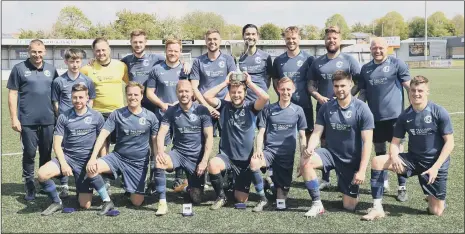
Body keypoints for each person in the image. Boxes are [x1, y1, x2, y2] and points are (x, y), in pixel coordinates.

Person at [362, 75, 454, 220]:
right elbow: (394, 143)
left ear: (427, 92)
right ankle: (377, 208)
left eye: (420, 91)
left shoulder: (439, 112)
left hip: (435, 164)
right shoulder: (405, 116)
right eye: (413, 90)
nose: (416, 94)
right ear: (409, 91)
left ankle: (434, 198)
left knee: (436, 211)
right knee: (377, 161)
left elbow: (450, 143)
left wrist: (436, 167)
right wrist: (394, 157)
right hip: (414, 160)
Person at [300, 70, 374, 217]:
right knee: (305, 160)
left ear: (351, 84)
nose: (339, 89)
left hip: (351, 160)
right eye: (336, 86)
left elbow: (367, 142)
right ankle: (317, 204)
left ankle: (348, 190)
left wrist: (362, 170)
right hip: (330, 154)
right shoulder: (327, 107)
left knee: (349, 206)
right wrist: (310, 147)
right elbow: (317, 132)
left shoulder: (362, 109)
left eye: (343, 86)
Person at [85, 82, 159, 214]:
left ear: (142, 96)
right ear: (126, 96)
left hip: (138, 163)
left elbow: (154, 142)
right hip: (118, 157)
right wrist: (92, 158)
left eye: (136, 94)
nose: (133, 97)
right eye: (129, 94)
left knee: (137, 202)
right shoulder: (117, 114)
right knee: (92, 168)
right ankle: (107, 201)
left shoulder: (150, 116)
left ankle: (129, 184)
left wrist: (156, 160)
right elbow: (102, 135)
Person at [203, 72, 269, 210]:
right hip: (227, 157)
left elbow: (265, 97)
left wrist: (249, 83)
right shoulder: (224, 105)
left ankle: (259, 181)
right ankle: (221, 196)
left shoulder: (252, 107)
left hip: (245, 162)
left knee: (241, 199)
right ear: (229, 92)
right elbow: (206, 96)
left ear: (245, 93)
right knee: (213, 164)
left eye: (239, 92)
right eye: (233, 92)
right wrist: (225, 83)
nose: (236, 95)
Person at [36, 84, 106, 216]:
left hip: (86, 162)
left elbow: (102, 142)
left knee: (85, 205)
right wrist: (63, 163)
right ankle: (56, 202)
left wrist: (101, 161)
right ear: (71, 98)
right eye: (75, 97)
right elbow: (57, 144)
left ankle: (82, 189)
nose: (78, 100)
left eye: (81, 97)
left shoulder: (97, 116)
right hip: (68, 157)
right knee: (42, 174)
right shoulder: (64, 117)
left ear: (87, 98)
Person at [358, 37, 412, 201]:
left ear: (387, 48)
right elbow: (363, 92)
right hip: (374, 119)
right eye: (375, 48)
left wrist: (414, 109)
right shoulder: (365, 69)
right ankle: (384, 179)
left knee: (398, 152)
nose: (378, 50)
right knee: (379, 150)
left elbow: (409, 86)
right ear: (371, 49)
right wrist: (359, 110)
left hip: (396, 118)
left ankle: (402, 186)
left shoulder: (397, 64)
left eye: (381, 48)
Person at [308, 26, 361, 190]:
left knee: (344, 141)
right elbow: (310, 84)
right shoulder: (317, 62)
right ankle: (326, 178)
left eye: (335, 38)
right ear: (325, 41)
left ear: (340, 40)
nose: (331, 41)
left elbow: (360, 81)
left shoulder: (349, 60)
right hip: (324, 108)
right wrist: (318, 96)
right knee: (324, 141)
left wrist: (347, 96)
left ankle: (345, 174)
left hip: (345, 109)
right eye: (329, 38)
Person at [7, 39, 59, 201]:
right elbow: (12, 94)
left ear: (45, 52)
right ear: (28, 52)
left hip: (48, 120)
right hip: (27, 121)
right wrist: (14, 118)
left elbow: (56, 95)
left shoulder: (51, 69)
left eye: (40, 51)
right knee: (29, 154)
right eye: (34, 52)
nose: (37, 55)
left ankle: (43, 182)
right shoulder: (19, 69)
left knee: (46, 154)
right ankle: (29, 184)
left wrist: (58, 116)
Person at [152, 80, 214, 215]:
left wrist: (204, 161)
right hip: (178, 154)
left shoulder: (202, 110)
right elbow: (161, 133)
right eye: (180, 91)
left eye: (186, 91)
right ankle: (162, 203)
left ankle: (187, 187)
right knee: (159, 162)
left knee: (196, 198)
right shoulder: (171, 111)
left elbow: (209, 137)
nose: (183, 94)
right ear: (176, 93)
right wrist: (161, 152)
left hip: (196, 157)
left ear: (192, 93)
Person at [249, 77, 308, 212]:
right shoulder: (268, 109)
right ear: (277, 90)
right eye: (282, 89)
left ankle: (270, 183)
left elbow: (302, 136)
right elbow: (261, 132)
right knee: (254, 162)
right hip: (270, 151)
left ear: (293, 90)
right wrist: (258, 149)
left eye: (288, 89)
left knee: (281, 202)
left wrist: (303, 158)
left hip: (287, 156)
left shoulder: (298, 110)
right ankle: (262, 199)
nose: (285, 92)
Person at [80, 37, 130, 192]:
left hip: (119, 112)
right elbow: (82, 90)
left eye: (103, 50)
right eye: (98, 50)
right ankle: (105, 176)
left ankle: (124, 174)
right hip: (98, 114)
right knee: (102, 146)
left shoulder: (121, 66)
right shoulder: (87, 69)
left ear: (109, 50)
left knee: (124, 145)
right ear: (94, 52)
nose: (101, 53)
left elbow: (130, 85)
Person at [146, 39, 190, 193]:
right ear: (166, 50)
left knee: (181, 146)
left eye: (176, 51)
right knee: (159, 148)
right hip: (162, 114)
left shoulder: (186, 70)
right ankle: (154, 182)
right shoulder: (156, 69)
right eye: (170, 50)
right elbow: (149, 93)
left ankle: (179, 180)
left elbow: (192, 91)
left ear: (180, 51)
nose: (173, 53)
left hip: (182, 116)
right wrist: (162, 105)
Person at [51, 49, 96, 197]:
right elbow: (56, 102)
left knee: (83, 150)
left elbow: (91, 100)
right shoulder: (59, 81)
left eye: (77, 61)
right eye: (71, 61)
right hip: (65, 124)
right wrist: (62, 119)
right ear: (66, 62)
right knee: (63, 150)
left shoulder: (87, 80)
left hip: (83, 123)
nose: (75, 65)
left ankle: (94, 178)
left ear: (81, 62)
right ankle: (63, 184)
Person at [190, 29, 235, 137]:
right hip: (204, 106)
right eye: (209, 39)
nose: (212, 42)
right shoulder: (198, 61)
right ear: (205, 41)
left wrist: (225, 105)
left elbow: (233, 84)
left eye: (215, 39)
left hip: (224, 104)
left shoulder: (228, 59)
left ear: (220, 41)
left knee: (228, 139)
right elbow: (194, 88)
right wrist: (208, 107)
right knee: (203, 140)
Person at [238, 24, 273, 102]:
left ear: (258, 36)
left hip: (262, 101)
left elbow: (269, 78)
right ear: (243, 36)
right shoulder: (236, 57)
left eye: (253, 34)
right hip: (244, 102)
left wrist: (261, 91)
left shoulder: (266, 57)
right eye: (247, 34)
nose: (250, 37)